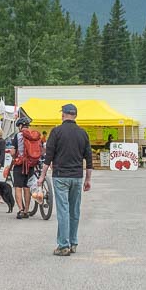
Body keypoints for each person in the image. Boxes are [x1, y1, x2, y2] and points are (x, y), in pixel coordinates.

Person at [37, 103, 93, 256]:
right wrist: (88, 179)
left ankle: (63, 245)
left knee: (63, 211)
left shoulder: (56, 132)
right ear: (75, 115)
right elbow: (88, 158)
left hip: (60, 176)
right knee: (75, 211)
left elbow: (48, 157)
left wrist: (42, 177)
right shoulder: (83, 133)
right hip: (76, 177)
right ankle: (73, 242)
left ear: (63, 114)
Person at [10, 117, 41, 219]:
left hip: (20, 164)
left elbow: (13, 152)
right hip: (31, 164)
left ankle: (20, 210)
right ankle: (27, 210)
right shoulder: (33, 135)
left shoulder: (18, 135)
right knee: (27, 188)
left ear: (20, 126)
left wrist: (14, 157)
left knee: (18, 188)